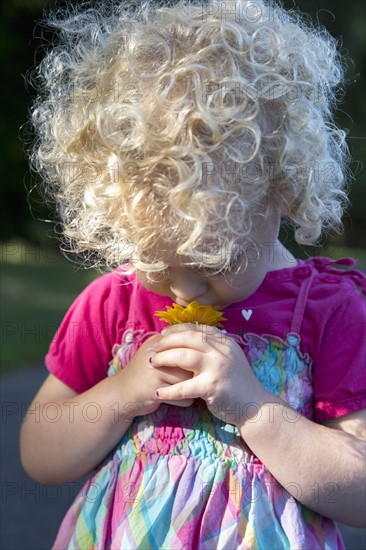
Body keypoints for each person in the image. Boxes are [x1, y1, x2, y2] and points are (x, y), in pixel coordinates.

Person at [20, 0, 366, 548]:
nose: (183, 289)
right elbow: (40, 452)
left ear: (282, 191)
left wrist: (254, 408)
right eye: (155, 261)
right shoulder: (114, 301)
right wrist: (122, 393)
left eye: (215, 262)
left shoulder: (329, 310)